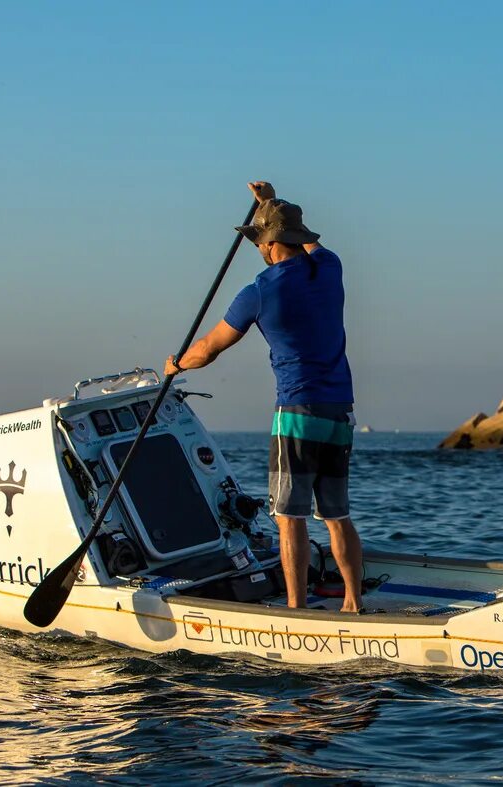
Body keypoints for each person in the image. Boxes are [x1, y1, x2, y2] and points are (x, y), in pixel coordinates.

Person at [165, 181, 363, 613]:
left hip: (295, 411)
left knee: (288, 517)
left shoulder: (259, 290)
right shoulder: (329, 269)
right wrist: (271, 207)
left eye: (259, 238)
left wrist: (176, 365)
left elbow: (210, 348)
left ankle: (296, 608)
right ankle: (352, 602)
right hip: (338, 411)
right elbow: (313, 246)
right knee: (336, 516)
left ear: (269, 243)